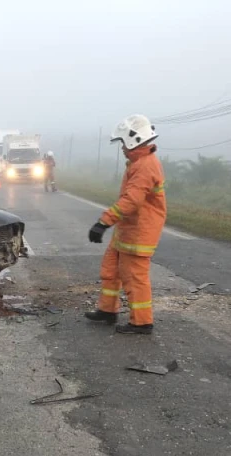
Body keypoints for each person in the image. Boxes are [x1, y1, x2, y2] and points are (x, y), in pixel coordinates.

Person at [85, 114, 166, 334]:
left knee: (134, 278)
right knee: (111, 270)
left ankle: (141, 322)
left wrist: (103, 222)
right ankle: (107, 310)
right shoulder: (139, 162)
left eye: (122, 142)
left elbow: (132, 200)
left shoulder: (145, 166)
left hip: (140, 232)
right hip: (128, 230)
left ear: (133, 140)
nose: (121, 147)